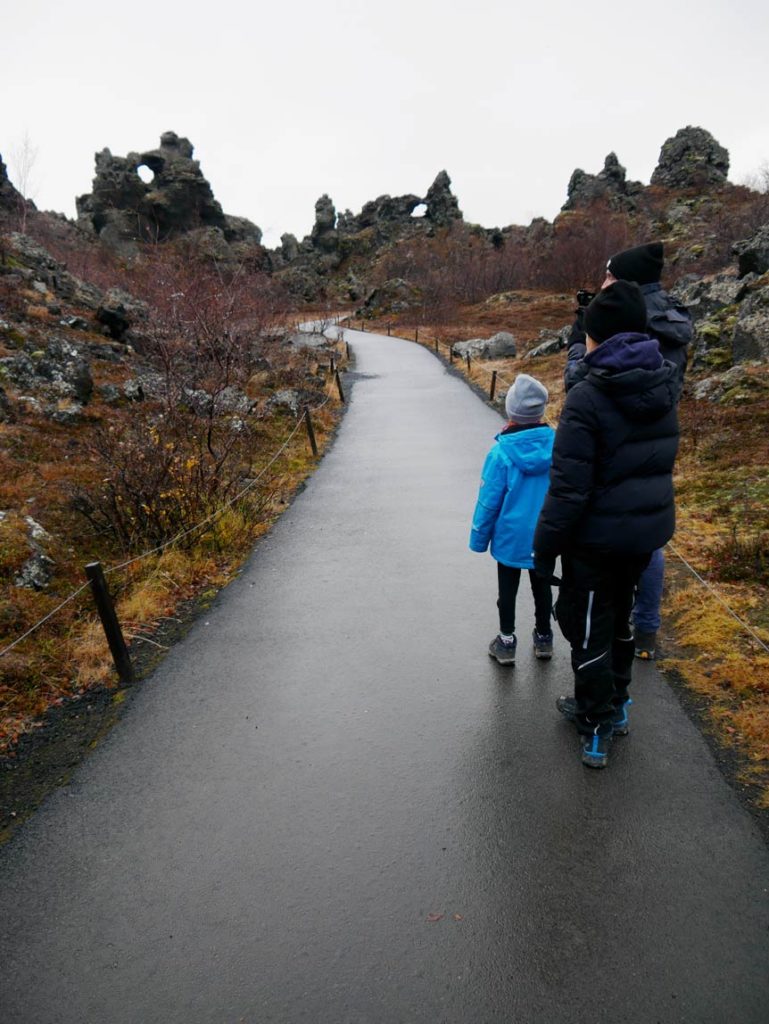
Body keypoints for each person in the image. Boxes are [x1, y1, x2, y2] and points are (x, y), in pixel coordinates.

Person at [533, 281, 679, 768]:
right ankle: (616, 704)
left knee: (588, 626)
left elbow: (568, 490)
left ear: (596, 337)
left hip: (595, 543)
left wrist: (545, 546)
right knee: (620, 620)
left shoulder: (588, 397)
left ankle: (595, 722)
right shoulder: (663, 382)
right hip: (643, 537)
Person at [564, 242, 692, 660]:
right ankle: (646, 630)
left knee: (610, 535)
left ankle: (607, 645)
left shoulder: (626, 316)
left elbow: (581, 379)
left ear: (622, 280)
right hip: (657, 429)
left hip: (615, 432)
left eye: (608, 275)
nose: (602, 282)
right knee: (648, 536)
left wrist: (579, 339)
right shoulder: (670, 317)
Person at [469, 374, 555, 665]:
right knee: (542, 586)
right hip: (546, 534)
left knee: (507, 590)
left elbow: (488, 501)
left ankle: (506, 642)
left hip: (510, 536)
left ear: (511, 411)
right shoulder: (558, 447)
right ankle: (544, 638)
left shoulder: (500, 453)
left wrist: (478, 538)